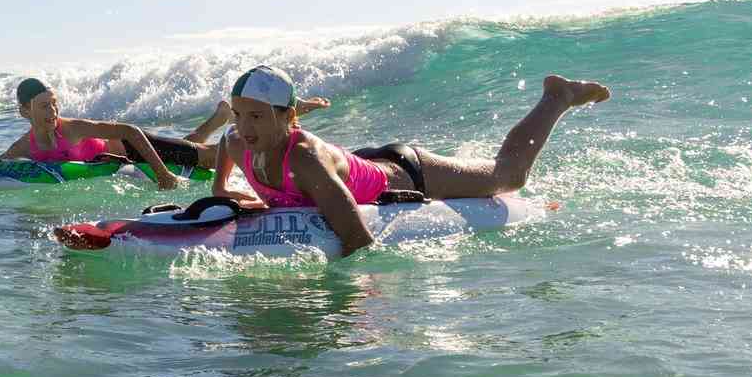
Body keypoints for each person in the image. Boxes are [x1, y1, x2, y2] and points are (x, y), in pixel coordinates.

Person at [213, 65, 609, 256]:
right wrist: (221, 190)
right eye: (240, 114)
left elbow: (357, 236)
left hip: (406, 175)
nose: (246, 128)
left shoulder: (303, 160)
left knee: (509, 175)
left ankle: (558, 97)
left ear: (289, 117)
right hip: (361, 164)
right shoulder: (237, 141)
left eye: (259, 116)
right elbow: (224, 146)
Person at [0, 78, 330, 185]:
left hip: (133, 149)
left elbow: (128, 130)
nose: (53, 111)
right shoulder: (24, 145)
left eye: (54, 103)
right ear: (25, 111)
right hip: (127, 155)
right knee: (187, 147)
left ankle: (292, 112)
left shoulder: (72, 129)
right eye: (44, 107)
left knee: (212, 159)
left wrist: (162, 175)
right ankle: (218, 119)